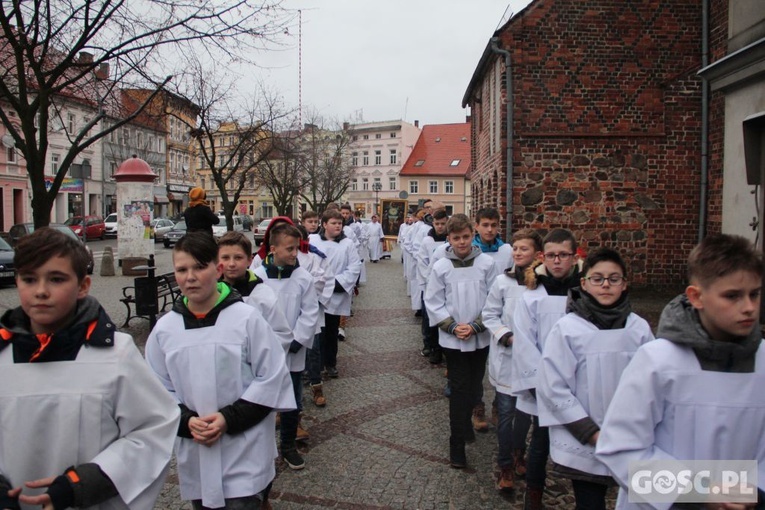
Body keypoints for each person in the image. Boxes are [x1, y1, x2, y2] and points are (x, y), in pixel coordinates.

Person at [0, 228, 179, 510]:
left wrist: (86, 483)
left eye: (56, 279)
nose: (41, 291)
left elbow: (153, 429)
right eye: (29, 279)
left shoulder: (114, 354)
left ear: (83, 286)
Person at [596, 234, 765, 510]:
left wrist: (751, 491)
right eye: (732, 296)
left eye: (754, 294)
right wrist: (700, 491)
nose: (748, 307)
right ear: (696, 296)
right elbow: (620, 448)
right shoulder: (659, 360)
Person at [146, 232, 295, 510]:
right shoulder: (165, 330)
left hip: (244, 449)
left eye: (199, 267)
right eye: (181, 269)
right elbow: (154, 389)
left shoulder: (246, 319)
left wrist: (228, 418)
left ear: (218, 269)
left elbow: (272, 378)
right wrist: (185, 421)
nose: (190, 277)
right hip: (197, 451)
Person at [537, 248, 654, 509]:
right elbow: (553, 385)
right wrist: (590, 432)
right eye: (597, 278)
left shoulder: (638, 329)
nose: (605, 285)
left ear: (624, 284)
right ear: (584, 283)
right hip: (587, 438)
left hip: (632, 437)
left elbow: (654, 383)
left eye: (614, 279)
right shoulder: (568, 329)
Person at [512, 228, 583, 510]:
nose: (557, 262)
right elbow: (525, 339)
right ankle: (534, 494)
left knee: (580, 442)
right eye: (551, 256)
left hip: (578, 381)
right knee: (540, 443)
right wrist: (539, 381)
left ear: (574, 257)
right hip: (543, 383)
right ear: (543, 258)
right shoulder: (533, 295)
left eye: (563, 255)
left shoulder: (584, 293)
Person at [424, 214, 500, 469]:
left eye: (466, 237)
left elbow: (493, 298)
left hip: (480, 336)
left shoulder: (487, 263)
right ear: (449, 239)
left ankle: (468, 422)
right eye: (456, 238)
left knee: (475, 384)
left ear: (472, 235)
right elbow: (433, 300)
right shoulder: (441, 266)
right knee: (458, 388)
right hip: (452, 339)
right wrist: (453, 326)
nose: (462, 242)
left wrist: (477, 325)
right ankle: (456, 443)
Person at [254, 223, 320, 471]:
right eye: (290, 249)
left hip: (292, 350)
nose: (295, 253)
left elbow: (310, 311)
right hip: (264, 353)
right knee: (262, 401)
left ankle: (288, 445)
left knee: (292, 400)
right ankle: (261, 449)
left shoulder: (302, 278)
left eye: (297, 249)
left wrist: (296, 340)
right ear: (273, 249)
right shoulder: (258, 277)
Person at [482, 228, 543, 492]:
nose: (517, 253)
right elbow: (490, 315)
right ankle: (505, 464)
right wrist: (507, 337)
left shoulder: (544, 286)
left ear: (538, 254)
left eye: (524, 249)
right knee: (506, 413)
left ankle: (520, 452)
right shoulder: (502, 282)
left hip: (533, 362)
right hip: (507, 357)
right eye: (515, 248)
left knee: (526, 415)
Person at [471, 207, 515, 432]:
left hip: (502, 315)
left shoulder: (507, 250)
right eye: (485, 225)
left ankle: (499, 405)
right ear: (476, 225)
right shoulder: (472, 250)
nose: (490, 229)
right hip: (479, 313)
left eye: (494, 225)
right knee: (478, 365)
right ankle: (477, 407)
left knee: (501, 362)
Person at [309, 209, 362, 379]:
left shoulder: (348, 244)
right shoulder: (313, 240)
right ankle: (313, 365)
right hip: (315, 294)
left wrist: (335, 283)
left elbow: (354, 267)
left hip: (335, 295)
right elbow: (307, 263)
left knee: (331, 331)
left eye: (340, 223)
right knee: (316, 332)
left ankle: (330, 364)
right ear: (324, 224)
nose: (338, 226)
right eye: (334, 223)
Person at [218, 231, 292, 352]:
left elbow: (282, 334)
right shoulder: (210, 295)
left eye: (238, 257)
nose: (231, 264)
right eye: (225, 258)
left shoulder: (262, 294)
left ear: (249, 260)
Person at [416, 208, 449, 363]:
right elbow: (422, 261)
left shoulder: (451, 241)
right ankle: (429, 344)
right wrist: (429, 279)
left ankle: (443, 346)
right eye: (437, 223)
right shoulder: (427, 241)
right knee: (429, 316)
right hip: (429, 284)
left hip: (447, 285)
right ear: (433, 224)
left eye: (443, 223)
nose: (440, 227)